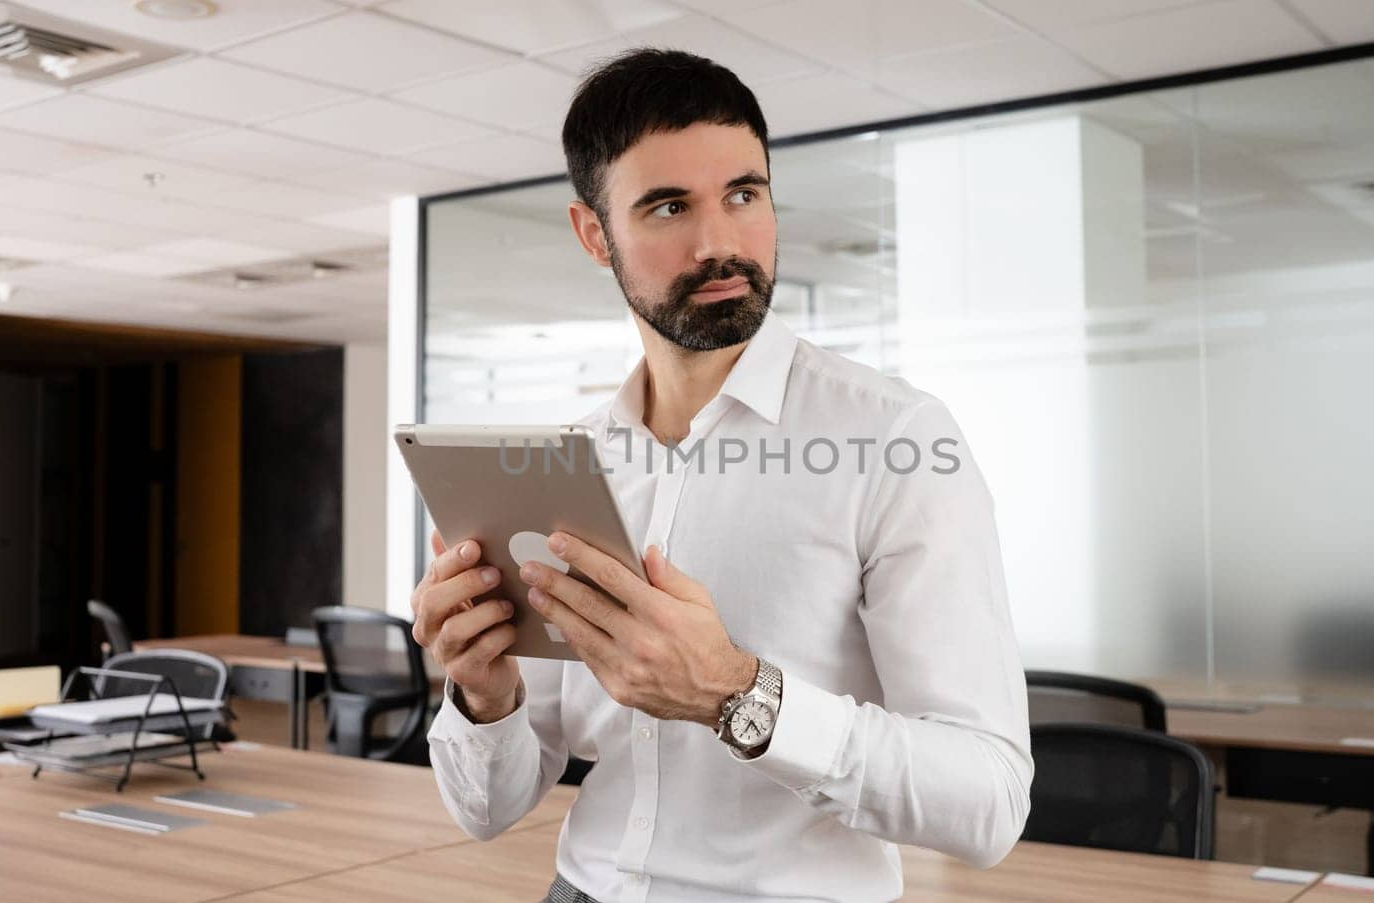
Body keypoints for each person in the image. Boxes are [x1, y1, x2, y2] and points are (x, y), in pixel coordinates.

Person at [412, 47, 1031, 903]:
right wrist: (483, 693)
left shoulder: (897, 440)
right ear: (595, 234)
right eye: (668, 207)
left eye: (744, 194)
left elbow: (990, 800)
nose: (719, 243)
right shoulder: (570, 462)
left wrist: (738, 695)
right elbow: (487, 808)